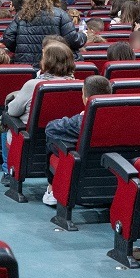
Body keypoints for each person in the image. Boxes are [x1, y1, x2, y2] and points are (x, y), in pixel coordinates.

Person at [0, 39, 77, 184]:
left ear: (46, 62)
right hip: (63, 139)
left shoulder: (33, 85)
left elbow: (13, 111)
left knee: (5, 122)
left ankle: (8, 171)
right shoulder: (79, 85)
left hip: (29, 139)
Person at [41, 75, 114, 206]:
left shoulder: (80, 121)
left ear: (86, 98)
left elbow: (50, 128)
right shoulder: (124, 118)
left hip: (81, 170)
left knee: (52, 140)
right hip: (113, 172)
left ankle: (52, 189)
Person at [2, 0, 85, 64]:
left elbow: (8, 37)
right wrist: (83, 35)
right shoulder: (61, 15)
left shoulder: (22, 14)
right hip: (52, 63)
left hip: (26, 64)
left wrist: (21, 48)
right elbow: (73, 40)